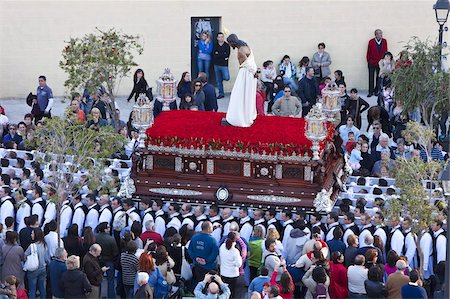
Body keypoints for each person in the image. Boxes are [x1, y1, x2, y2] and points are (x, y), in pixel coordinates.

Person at [224, 33, 257, 127]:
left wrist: (254, 72)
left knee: (239, 94)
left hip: (246, 73)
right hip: (249, 73)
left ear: (232, 43)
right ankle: (247, 115)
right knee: (247, 94)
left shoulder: (241, 51)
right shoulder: (246, 46)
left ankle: (238, 117)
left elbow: (247, 64)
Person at [95, 222, 118, 299]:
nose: (109, 228)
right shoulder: (111, 239)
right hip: (109, 261)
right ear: (104, 229)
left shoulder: (95, 237)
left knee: (98, 279)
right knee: (110, 281)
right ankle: (111, 297)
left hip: (98, 260)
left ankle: (98, 296)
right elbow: (115, 253)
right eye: (108, 227)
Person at [25, 228, 49, 299]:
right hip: (43, 268)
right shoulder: (44, 245)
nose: (31, 235)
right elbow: (47, 258)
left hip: (33, 269)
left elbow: (25, 255)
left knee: (32, 289)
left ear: (36, 235)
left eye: (32, 233)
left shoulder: (32, 246)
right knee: (42, 288)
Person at [218, 232, 242, 297]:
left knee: (223, 292)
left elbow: (219, 258)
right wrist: (233, 263)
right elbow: (239, 264)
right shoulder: (235, 250)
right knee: (232, 293)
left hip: (223, 273)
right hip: (233, 274)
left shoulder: (222, 247)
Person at [367, 29, 388, 97]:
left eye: (381, 33)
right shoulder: (371, 41)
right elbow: (368, 51)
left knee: (379, 77)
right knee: (371, 77)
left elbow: (386, 51)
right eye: (379, 33)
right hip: (372, 62)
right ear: (375, 35)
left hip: (380, 63)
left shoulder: (384, 41)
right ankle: (370, 92)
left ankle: (377, 91)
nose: (381, 35)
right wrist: (369, 60)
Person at [212, 32, 231, 99]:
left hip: (224, 65)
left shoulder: (227, 45)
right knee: (218, 81)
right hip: (216, 65)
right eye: (219, 37)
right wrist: (222, 55)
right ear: (217, 38)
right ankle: (221, 93)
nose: (221, 38)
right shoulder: (215, 45)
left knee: (226, 77)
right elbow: (214, 55)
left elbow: (227, 55)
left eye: (222, 37)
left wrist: (218, 54)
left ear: (223, 37)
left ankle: (221, 79)